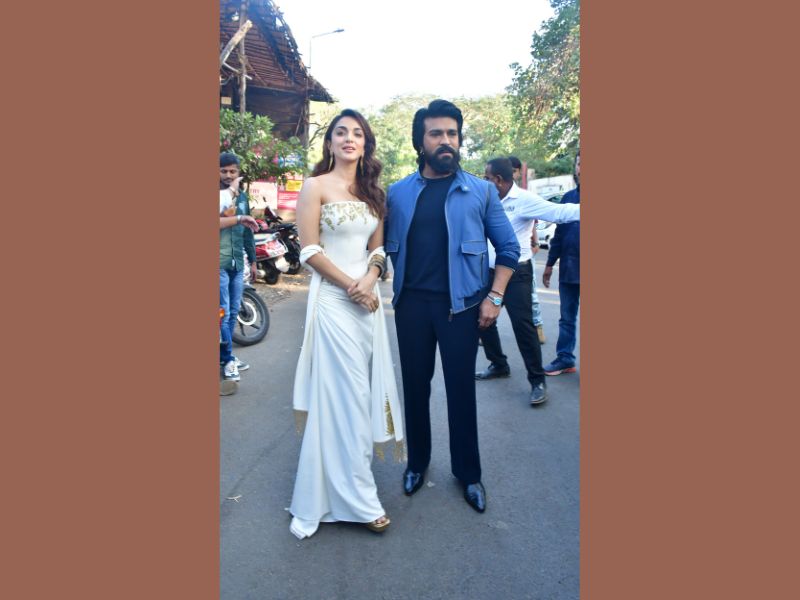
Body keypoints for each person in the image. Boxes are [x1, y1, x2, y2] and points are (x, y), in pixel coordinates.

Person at [385, 99, 519, 514]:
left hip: (461, 309)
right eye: (436, 134)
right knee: (415, 388)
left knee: (461, 391)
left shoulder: (480, 191)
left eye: (452, 133)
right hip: (412, 308)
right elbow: (372, 243)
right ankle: (417, 464)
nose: (446, 141)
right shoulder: (398, 193)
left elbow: (509, 248)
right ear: (420, 142)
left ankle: (468, 473)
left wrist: (495, 297)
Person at [289, 109, 404, 540]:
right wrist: (350, 286)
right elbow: (308, 250)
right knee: (349, 397)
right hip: (334, 303)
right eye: (341, 132)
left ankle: (335, 492)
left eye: (357, 133)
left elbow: (378, 250)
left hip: (366, 305)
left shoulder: (373, 193)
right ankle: (361, 500)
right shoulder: (315, 186)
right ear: (330, 142)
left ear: (365, 144)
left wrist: (370, 279)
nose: (349, 138)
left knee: (357, 395)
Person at [474, 158, 580, 405]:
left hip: (517, 274)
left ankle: (537, 381)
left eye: (487, 178)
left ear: (498, 180)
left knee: (524, 328)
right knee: (482, 320)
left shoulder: (524, 199)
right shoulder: (486, 199)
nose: (484, 181)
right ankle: (498, 364)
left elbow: (559, 212)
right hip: (488, 272)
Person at [219, 153, 259, 382]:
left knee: (233, 311)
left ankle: (226, 355)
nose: (228, 175)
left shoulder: (242, 197)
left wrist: (253, 260)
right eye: (223, 171)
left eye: (232, 171)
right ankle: (227, 360)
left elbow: (247, 232)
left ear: (238, 172)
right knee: (222, 313)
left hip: (237, 262)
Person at [543, 152, 581, 376]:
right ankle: (565, 358)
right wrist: (549, 264)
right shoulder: (568, 198)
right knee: (567, 318)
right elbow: (558, 236)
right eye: (580, 163)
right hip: (570, 269)